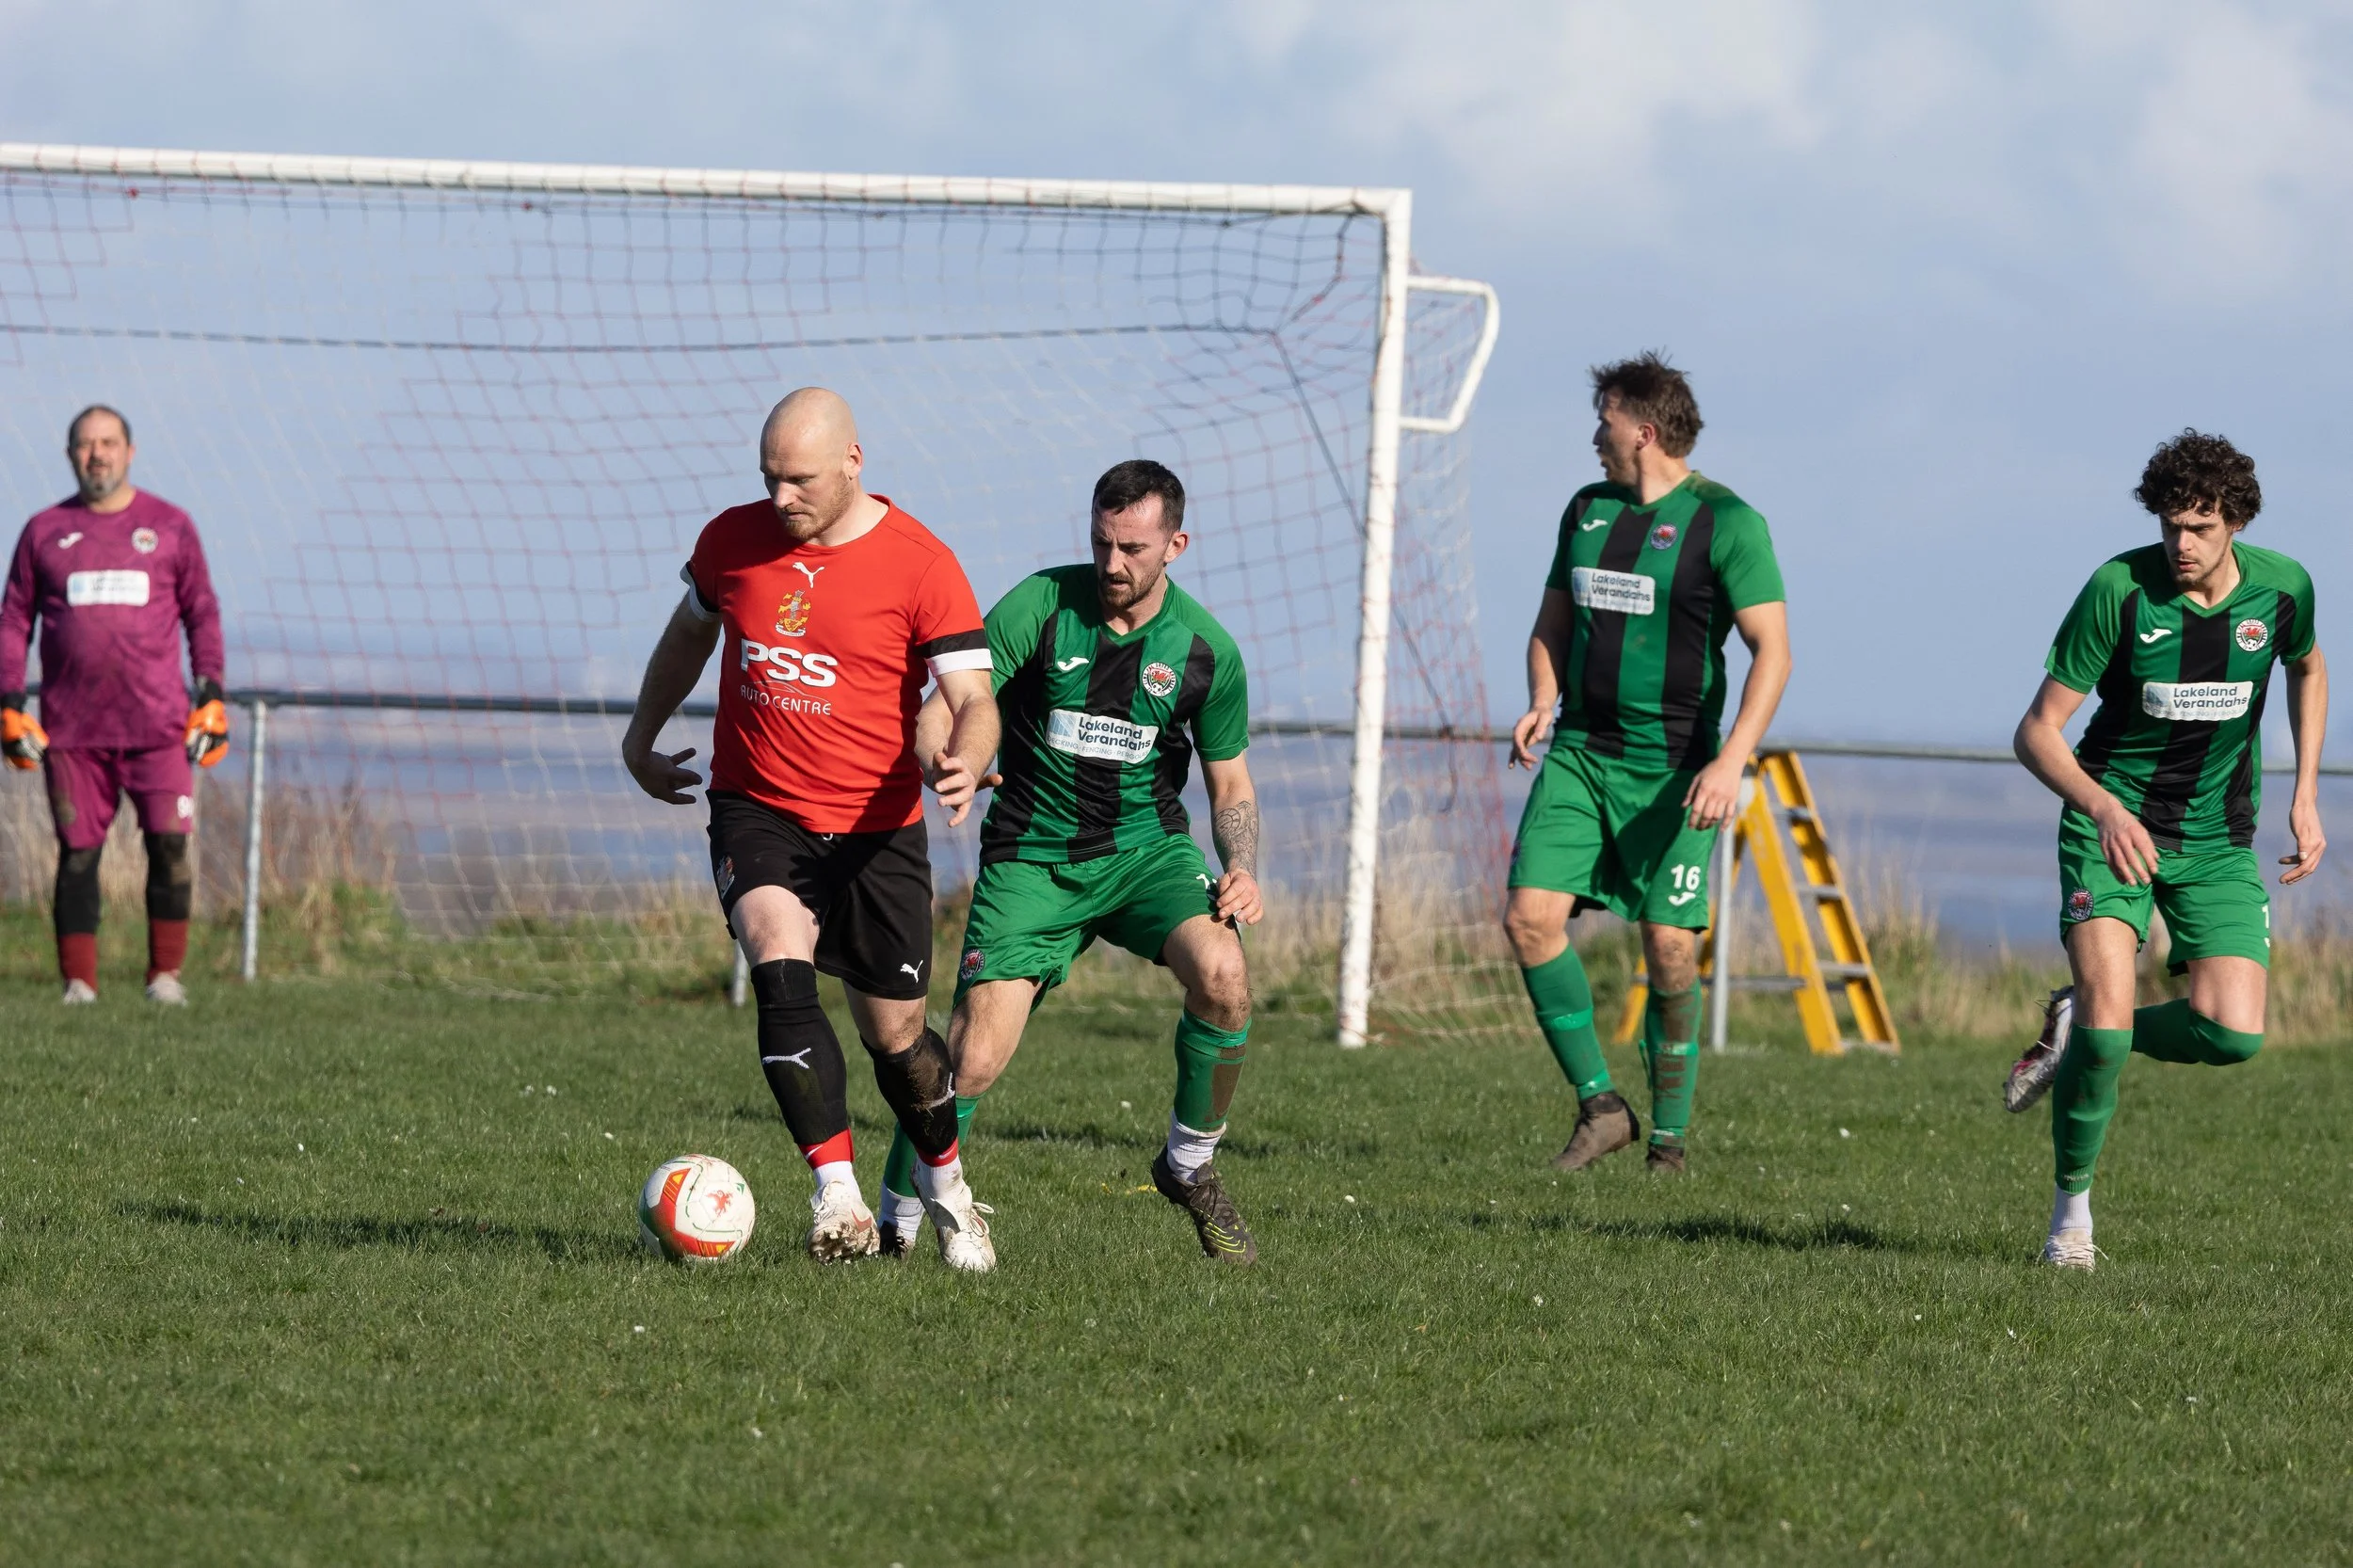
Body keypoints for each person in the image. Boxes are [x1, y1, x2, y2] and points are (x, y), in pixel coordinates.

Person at [620, 388, 1001, 1269]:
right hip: (758, 807)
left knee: (897, 1038)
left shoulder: (922, 563)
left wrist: (965, 760)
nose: (782, 497)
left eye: (800, 480)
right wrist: (640, 737)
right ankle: (837, 1197)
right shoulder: (731, 542)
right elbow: (688, 638)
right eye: (769, 478)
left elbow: (973, 698)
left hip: (876, 829)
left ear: (853, 463)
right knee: (776, 961)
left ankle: (947, 1188)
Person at [878, 459, 1264, 1264]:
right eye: (1100, 543)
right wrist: (941, 761)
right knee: (972, 1061)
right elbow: (950, 699)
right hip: (1033, 858)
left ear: (1176, 544)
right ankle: (895, 1220)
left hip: (1146, 859)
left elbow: (1230, 780)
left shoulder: (1206, 652)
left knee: (1224, 974)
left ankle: (1189, 1165)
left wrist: (1241, 863)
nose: (1112, 564)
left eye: (1132, 547)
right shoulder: (1041, 605)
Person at [2004, 431, 2326, 1271]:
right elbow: (2037, 733)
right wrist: (2105, 809)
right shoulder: (2118, 589)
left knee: (2232, 1034)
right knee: (2112, 1025)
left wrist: (2304, 791)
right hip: (2110, 827)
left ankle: (2074, 1027)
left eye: (2200, 527)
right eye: (2169, 525)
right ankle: (2070, 1220)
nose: (2181, 544)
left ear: (2236, 523)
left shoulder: (2283, 589)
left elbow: (2310, 668)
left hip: (2218, 837)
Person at [1503, 354, 1792, 1175]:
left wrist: (1732, 762)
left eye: (1604, 422)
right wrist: (1541, 698)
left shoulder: (1729, 523)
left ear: (1644, 431)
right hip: (1583, 755)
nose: (1594, 438)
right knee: (1529, 920)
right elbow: (1551, 621)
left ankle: (1668, 1139)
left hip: (1677, 770)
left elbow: (1775, 654)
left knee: (1668, 947)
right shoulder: (1586, 511)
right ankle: (1602, 1107)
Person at [2, 406, 229, 1005]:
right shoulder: (43, 531)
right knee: (78, 853)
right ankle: (79, 984)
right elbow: (14, 620)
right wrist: (8, 700)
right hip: (72, 732)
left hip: (159, 727)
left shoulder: (171, 526)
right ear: (70, 454)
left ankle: (165, 978)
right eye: (84, 444)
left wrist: (210, 692)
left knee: (170, 847)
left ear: (130, 452)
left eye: (108, 443)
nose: (96, 454)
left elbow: (201, 610)